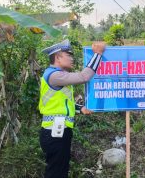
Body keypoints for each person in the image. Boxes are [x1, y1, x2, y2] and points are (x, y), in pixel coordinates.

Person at [38, 39, 105, 178]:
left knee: (59, 171)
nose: (71, 58)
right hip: (55, 131)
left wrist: (81, 109)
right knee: (56, 173)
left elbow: (62, 105)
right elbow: (84, 76)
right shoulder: (55, 75)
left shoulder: (57, 75)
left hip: (58, 130)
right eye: (68, 55)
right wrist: (97, 54)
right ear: (57, 57)